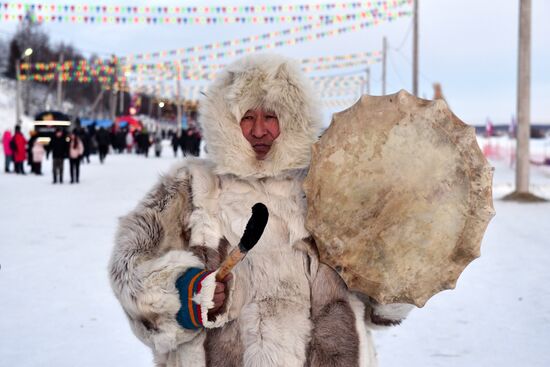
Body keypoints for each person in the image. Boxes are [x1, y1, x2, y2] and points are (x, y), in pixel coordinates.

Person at [109, 54, 412, 367]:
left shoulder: (327, 187)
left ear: (292, 119)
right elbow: (129, 267)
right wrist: (187, 295)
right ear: (226, 120)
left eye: (271, 116)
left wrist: (396, 261)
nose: (258, 130)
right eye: (247, 116)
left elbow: (377, 304)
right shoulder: (191, 186)